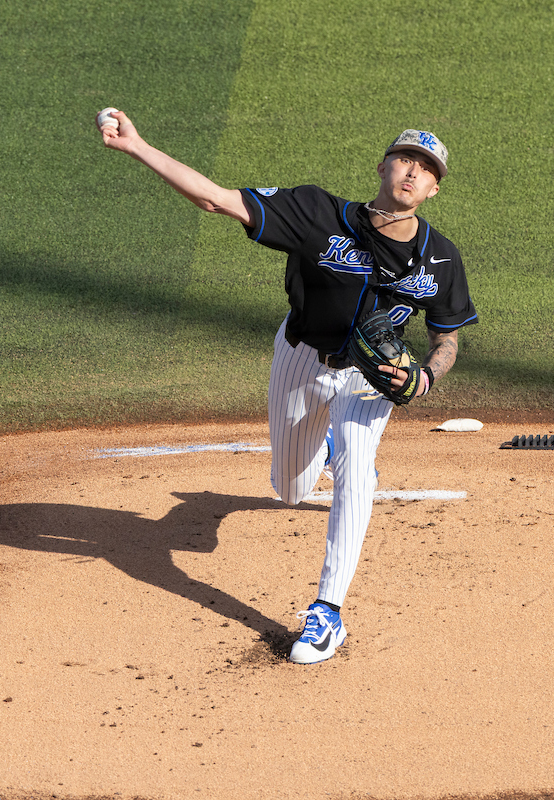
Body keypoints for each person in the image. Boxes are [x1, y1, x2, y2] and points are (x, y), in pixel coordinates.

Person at [98, 110, 477, 664]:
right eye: (405, 159)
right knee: (292, 489)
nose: (413, 172)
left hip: (370, 376)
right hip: (302, 358)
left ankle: (328, 612)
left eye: (426, 169)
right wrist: (137, 146)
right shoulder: (317, 212)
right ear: (383, 167)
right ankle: (325, 448)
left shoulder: (442, 257)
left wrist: (424, 377)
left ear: (434, 189)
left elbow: (448, 337)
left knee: (355, 472)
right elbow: (216, 200)